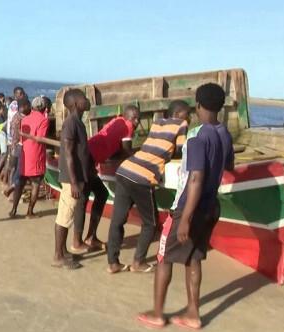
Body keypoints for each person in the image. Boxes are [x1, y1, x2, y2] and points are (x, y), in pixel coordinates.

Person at [135, 83, 233, 330]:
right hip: (212, 207)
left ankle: (158, 313)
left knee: (163, 257)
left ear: (198, 105)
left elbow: (196, 177)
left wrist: (186, 216)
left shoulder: (198, 136)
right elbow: (228, 165)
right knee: (194, 258)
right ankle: (192, 313)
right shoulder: (224, 134)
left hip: (188, 207)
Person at [106, 100, 190, 274]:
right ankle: (139, 262)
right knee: (150, 223)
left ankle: (113, 263)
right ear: (180, 114)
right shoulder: (182, 124)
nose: (189, 117)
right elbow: (182, 151)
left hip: (125, 170)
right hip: (143, 177)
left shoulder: (157, 123)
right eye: (187, 114)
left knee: (117, 221)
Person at [70, 105, 141, 253]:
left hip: (88, 154)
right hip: (87, 160)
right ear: (127, 117)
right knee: (83, 200)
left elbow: (115, 146)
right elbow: (127, 150)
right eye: (134, 118)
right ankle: (77, 242)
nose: (136, 121)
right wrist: (139, 155)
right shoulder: (128, 127)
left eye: (138, 118)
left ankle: (91, 237)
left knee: (101, 193)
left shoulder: (118, 120)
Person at [51, 89, 92, 269]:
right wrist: (74, 182)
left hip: (76, 177)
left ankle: (64, 251)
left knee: (68, 215)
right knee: (64, 216)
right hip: (70, 179)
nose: (87, 101)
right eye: (84, 99)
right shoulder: (70, 124)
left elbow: (79, 151)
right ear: (76, 104)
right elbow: (68, 154)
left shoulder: (78, 122)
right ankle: (58, 256)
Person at [9, 95, 48, 218]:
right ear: (44, 108)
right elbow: (40, 139)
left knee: (21, 183)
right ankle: (29, 212)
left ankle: (13, 210)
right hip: (36, 155)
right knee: (35, 185)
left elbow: (23, 137)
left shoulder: (25, 119)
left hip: (25, 154)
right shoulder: (44, 120)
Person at [1, 98, 30, 196]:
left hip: (13, 144)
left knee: (12, 167)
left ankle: (9, 185)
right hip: (19, 145)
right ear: (24, 106)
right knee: (17, 170)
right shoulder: (23, 118)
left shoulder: (15, 116)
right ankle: (11, 189)